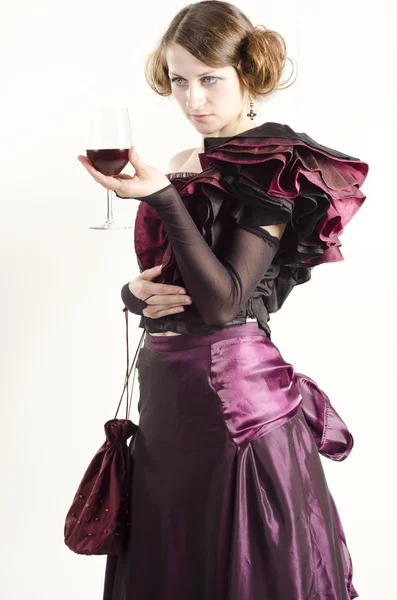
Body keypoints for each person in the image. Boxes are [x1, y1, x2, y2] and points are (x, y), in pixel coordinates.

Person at [78, 2, 369, 598]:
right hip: (168, 404)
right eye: (180, 80)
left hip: (234, 408)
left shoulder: (273, 164)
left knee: (241, 571)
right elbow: (176, 288)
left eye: (210, 79)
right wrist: (133, 295)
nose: (193, 99)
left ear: (247, 73)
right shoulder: (189, 162)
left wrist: (161, 196)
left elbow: (225, 303)